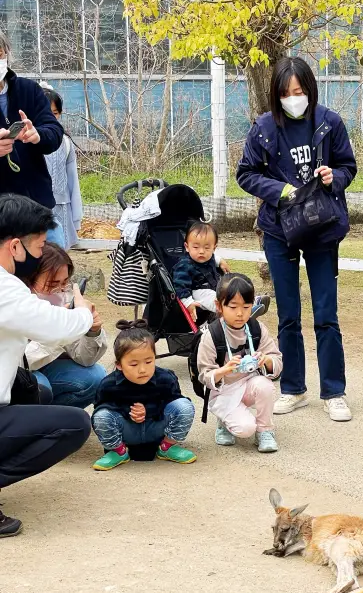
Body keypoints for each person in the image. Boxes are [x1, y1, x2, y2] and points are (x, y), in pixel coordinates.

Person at [237, 56, 357, 422]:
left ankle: (334, 392)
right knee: (289, 314)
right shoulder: (262, 128)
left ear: (310, 89)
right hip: (278, 228)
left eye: (300, 91)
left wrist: (331, 178)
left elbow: (348, 166)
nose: (294, 98)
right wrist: (279, 190)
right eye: (287, 93)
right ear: (276, 94)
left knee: (326, 314)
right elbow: (245, 173)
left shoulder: (329, 121)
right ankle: (292, 387)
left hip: (321, 228)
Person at [0, 194, 96, 536]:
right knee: (73, 425)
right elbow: (56, 327)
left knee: (32, 391)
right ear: (15, 247)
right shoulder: (6, 289)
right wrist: (83, 313)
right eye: (39, 247)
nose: (41, 255)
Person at [91, 320, 196, 470]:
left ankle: (167, 447)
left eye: (148, 361)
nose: (142, 370)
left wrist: (149, 410)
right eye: (134, 364)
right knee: (100, 416)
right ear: (119, 364)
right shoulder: (108, 384)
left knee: (184, 406)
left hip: (156, 428)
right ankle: (118, 451)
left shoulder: (166, 378)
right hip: (127, 431)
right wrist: (129, 411)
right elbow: (102, 409)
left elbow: (172, 402)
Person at [197, 273, 283, 453]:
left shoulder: (256, 328)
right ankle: (224, 421)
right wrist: (223, 370)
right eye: (233, 306)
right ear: (219, 306)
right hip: (222, 392)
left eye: (246, 306)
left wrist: (266, 360)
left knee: (265, 386)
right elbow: (204, 375)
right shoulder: (212, 335)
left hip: (247, 385)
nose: (240, 313)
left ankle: (265, 430)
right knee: (245, 430)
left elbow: (277, 361)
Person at [22, 242, 107, 408]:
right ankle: (27, 425)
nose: (60, 290)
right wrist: (57, 331)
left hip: (46, 369)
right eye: (53, 284)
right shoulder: (14, 302)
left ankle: (51, 421)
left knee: (96, 377)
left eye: (65, 282)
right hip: (16, 374)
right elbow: (21, 362)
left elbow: (85, 359)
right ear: (29, 281)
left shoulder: (63, 299)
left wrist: (91, 332)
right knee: (40, 388)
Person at [0, 31, 64, 244]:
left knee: (51, 266)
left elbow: (54, 132)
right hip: (2, 214)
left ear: (7, 53)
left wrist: (37, 135)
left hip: (37, 204)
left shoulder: (29, 90)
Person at [40, 83, 83, 250]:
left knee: (59, 253)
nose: (50, 117)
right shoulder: (25, 140)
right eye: (44, 113)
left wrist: (76, 215)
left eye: (55, 113)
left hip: (61, 207)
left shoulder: (65, 142)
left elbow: (72, 179)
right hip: (34, 208)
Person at [172, 218, 229, 320]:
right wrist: (188, 303)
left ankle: (248, 303)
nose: (201, 251)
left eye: (207, 248)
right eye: (196, 247)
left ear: (214, 248)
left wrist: (221, 261)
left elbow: (213, 257)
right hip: (196, 293)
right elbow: (180, 286)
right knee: (212, 297)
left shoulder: (210, 257)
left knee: (232, 287)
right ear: (187, 246)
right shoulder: (183, 266)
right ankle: (231, 311)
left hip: (214, 287)